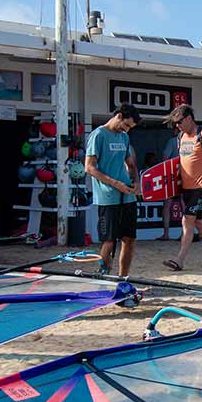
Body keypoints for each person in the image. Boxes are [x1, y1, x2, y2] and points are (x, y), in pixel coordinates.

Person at [164, 103, 202, 271]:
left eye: (179, 122)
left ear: (189, 118)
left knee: (187, 220)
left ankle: (179, 259)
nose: (177, 126)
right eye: (175, 123)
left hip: (201, 187)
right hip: (186, 188)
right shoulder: (180, 138)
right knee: (199, 223)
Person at [85, 105, 140, 277]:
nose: (127, 129)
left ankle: (123, 278)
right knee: (109, 241)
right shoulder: (98, 135)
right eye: (127, 125)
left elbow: (131, 164)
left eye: (130, 128)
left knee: (129, 239)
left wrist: (136, 181)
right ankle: (104, 276)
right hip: (107, 196)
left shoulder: (124, 137)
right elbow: (89, 167)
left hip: (127, 196)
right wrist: (115, 184)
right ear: (119, 116)